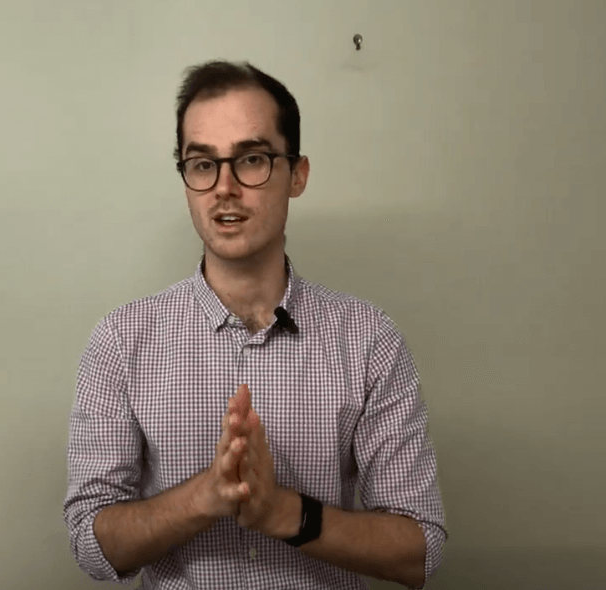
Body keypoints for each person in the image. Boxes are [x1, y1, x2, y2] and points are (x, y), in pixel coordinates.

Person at [63, 60, 447, 589]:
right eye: (202, 164)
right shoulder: (120, 342)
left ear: (298, 174)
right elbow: (90, 543)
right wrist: (206, 497)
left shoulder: (369, 340)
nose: (224, 187)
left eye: (251, 159)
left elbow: (418, 551)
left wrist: (283, 512)